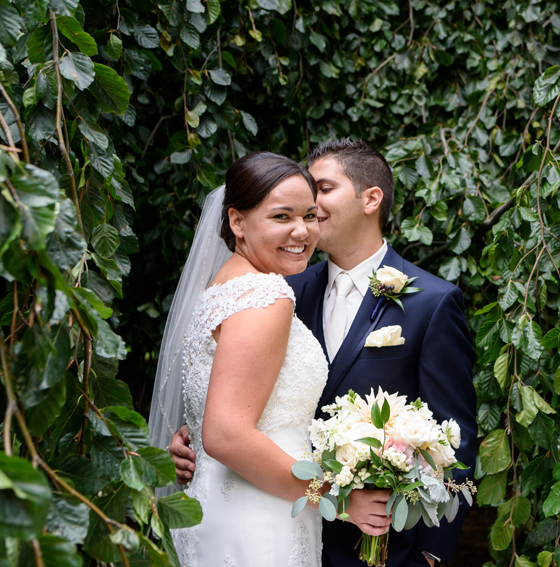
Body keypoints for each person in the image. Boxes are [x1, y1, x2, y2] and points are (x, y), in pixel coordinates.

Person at [168, 139, 477, 566]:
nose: (308, 209)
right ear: (239, 221)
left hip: (378, 548)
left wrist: (429, 554)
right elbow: (233, 415)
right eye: (287, 210)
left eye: (319, 193)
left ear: (371, 199)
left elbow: (453, 438)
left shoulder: (432, 302)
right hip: (275, 521)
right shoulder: (278, 288)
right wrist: (197, 438)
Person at [155, 152, 330, 567]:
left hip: (222, 501)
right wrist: (330, 496)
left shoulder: (226, 285)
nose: (301, 231)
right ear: (237, 221)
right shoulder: (265, 296)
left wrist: (191, 432)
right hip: (261, 513)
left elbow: (218, 408)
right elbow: (226, 434)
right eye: (282, 217)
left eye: (310, 215)